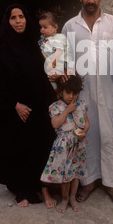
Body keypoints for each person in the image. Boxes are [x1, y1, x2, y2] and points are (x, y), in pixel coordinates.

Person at [61, 0, 113, 208]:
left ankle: (112, 184)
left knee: (110, 134)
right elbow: (66, 61)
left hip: (108, 89)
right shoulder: (70, 26)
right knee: (86, 135)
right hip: (83, 92)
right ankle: (88, 181)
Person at [0, 3, 57, 207]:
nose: (18, 21)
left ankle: (37, 185)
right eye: (13, 18)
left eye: (21, 17)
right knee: (17, 147)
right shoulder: (3, 49)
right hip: (16, 111)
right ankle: (21, 190)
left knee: (37, 145)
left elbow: (41, 73)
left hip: (36, 107)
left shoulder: (32, 44)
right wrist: (14, 104)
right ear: (7, 22)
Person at [40, 74, 90, 213]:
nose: (71, 96)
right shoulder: (55, 107)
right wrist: (67, 111)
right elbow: (55, 124)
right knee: (65, 176)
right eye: (68, 93)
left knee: (75, 174)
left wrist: (84, 131)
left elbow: (86, 122)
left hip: (78, 145)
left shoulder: (80, 105)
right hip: (63, 147)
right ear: (61, 91)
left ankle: (73, 198)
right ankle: (65, 199)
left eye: (75, 93)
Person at [37, 8, 67, 90]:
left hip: (57, 65)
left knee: (53, 80)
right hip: (47, 65)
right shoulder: (44, 38)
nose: (41, 30)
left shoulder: (59, 38)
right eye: (41, 27)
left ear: (55, 27)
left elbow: (58, 52)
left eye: (45, 27)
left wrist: (52, 64)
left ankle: (57, 91)